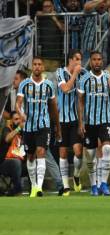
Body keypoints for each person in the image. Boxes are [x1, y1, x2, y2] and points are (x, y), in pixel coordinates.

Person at [16, 56, 61, 197]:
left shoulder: (48, 85)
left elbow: (53, 107)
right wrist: (21, 113)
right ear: (32, 67)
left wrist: (57, 127)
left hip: (44, 125)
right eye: (34, 64)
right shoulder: (24, 84)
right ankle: (34, 185)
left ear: (42, 67)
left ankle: (38, 188)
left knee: (41, 152)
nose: (36, 67)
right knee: (30, 157)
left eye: (39, 64)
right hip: (29, 126)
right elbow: (18, 103)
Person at [78, 51, 110, 196]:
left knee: (106, 149)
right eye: (94, 60)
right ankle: (94, 185)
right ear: (91, 62)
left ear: (102, 61)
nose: (97, 62)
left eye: (99, 59)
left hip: (105, 120)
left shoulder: (108, 78)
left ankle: (104, 184)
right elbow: (80, 102)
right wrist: (81, 122)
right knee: (91, 155)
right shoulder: (84, 79)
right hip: (90, 122)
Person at [56, 50, 86, 196]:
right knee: (62, 152)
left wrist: (82, 122)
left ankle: (76, 175)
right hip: (61, 120)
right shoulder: (60, 72)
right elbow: (66, 89)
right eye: (77, 59)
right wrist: (75, 74)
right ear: (70, 60)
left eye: (80, 60)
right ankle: (66, 186)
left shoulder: (83, 74)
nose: (80, 62)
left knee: (78, 152)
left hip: (75, 119)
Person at [83, 0, 110, 65]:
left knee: (99, 74)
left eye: (105, 3)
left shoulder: (107, 14)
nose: (103, 4)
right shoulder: (90, 12)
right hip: (87, 51)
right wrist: (102, 0)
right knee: (85, 73)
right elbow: (86, 7)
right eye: (101, 3)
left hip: (101, 53)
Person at [0, 111, 25, 196]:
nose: (18, 121)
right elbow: (7, 139)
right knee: (16, 162)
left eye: (20, 119)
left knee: (32, 162)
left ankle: (35, 189)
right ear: (11, 121)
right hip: (4, 164)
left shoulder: (24, 133)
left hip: (21, 162)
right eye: (16, 119)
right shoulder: (6, 129)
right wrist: (18, 128)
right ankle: (18, 190)